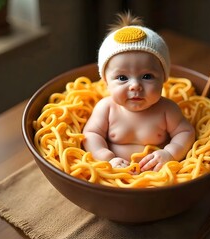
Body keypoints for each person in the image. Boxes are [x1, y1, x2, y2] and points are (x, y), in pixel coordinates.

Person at [83, 12, 195, 172]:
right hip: (114, 174)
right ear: (106, 82)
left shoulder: (167, 110)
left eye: (147, 76)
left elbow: (186, 132)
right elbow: (91, 134)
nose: (135, 86)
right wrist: (106, 157)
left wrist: (170, 153)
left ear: (164, 78)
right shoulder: (106, 108)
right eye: (122, 77)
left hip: (159, 176)